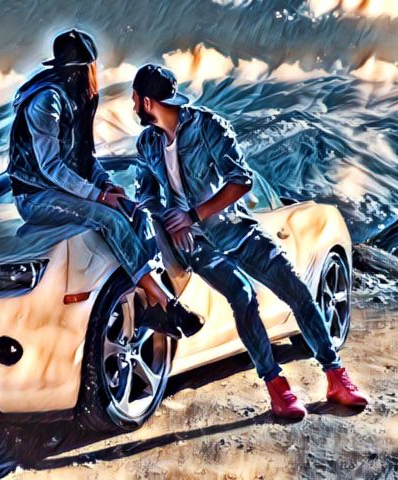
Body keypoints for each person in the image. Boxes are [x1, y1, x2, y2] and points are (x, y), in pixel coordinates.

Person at [131, 64, 368, 419]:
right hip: (196, 246)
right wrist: (167, 218)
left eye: (135, 99)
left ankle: (336, 376)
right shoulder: (147, 143)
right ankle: (277, 387)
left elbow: (241, 180)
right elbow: (146, 195)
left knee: (296, 289)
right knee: (242, 296)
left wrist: (192, 214)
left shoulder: (207, 126)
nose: (133, 105)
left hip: (236, 230)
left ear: (147, 102)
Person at [7, 30, 203, 339]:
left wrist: (108, 186)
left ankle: (149, 303)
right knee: (109, 219)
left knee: (137, 214)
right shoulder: (46, 101)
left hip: (66, 193)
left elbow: (85, 158)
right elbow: (50, 166)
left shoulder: (77, 99)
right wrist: (98, 196)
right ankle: (166, 302)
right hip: (36, 197)